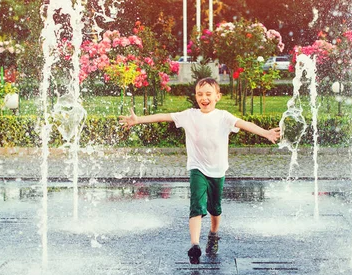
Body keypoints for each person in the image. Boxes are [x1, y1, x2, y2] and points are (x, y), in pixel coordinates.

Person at [120, 77, 281, 264]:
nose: (203, 98)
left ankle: (213, 234)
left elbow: (245, 124)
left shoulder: (224, 117)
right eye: (199, 94)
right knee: (196, 205)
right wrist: (138, 120)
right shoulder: (190, 115)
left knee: (215, 208)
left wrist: (266, 133)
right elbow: (164, 116)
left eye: (208, 94)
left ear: (217, 96)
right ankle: (195, 245)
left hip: (218, 170)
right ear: (196, 96)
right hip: (197, 168)